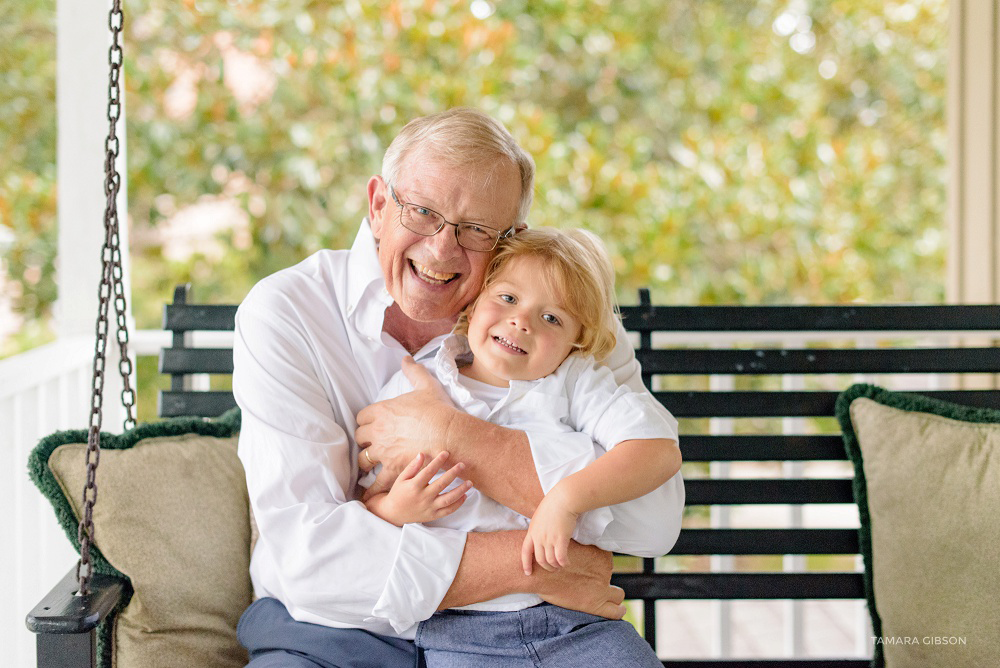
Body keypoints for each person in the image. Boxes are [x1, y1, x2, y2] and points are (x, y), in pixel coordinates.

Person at [232, 107, 685, 667]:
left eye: (475, 230)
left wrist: (453, 435)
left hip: (537, 631)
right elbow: (308, 558)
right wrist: (538, 564)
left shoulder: (562, 323)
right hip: (338, 632)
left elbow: (653, 522)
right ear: (378, 206)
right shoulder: (288, 313)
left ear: (509, 239)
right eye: (422, 212)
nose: (443, 249)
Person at [360, 227, 682, 666]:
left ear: (576, 342)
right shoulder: (416, 385)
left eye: (552, 318)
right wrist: (397, 509)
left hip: (578, 622)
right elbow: (367, 504)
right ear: (473, 303)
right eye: (508, 299)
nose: (522, 321)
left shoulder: (574, 383)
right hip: (459, 631)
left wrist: (566, 498)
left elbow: (657, 450)